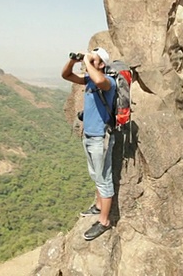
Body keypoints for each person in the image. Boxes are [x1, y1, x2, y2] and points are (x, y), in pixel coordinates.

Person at [61, 47, 116, 241]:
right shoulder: (89, 81)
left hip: (101, 138)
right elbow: (65, 75)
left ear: (102, 64)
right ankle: (99, 206)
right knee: (95, 174)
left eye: (95, 60)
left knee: (104, 179)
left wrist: (87, 60)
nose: (90, 61)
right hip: (89, 136)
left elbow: (100, 80)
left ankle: (104, 222)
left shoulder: (109, 81)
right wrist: (74, 60)